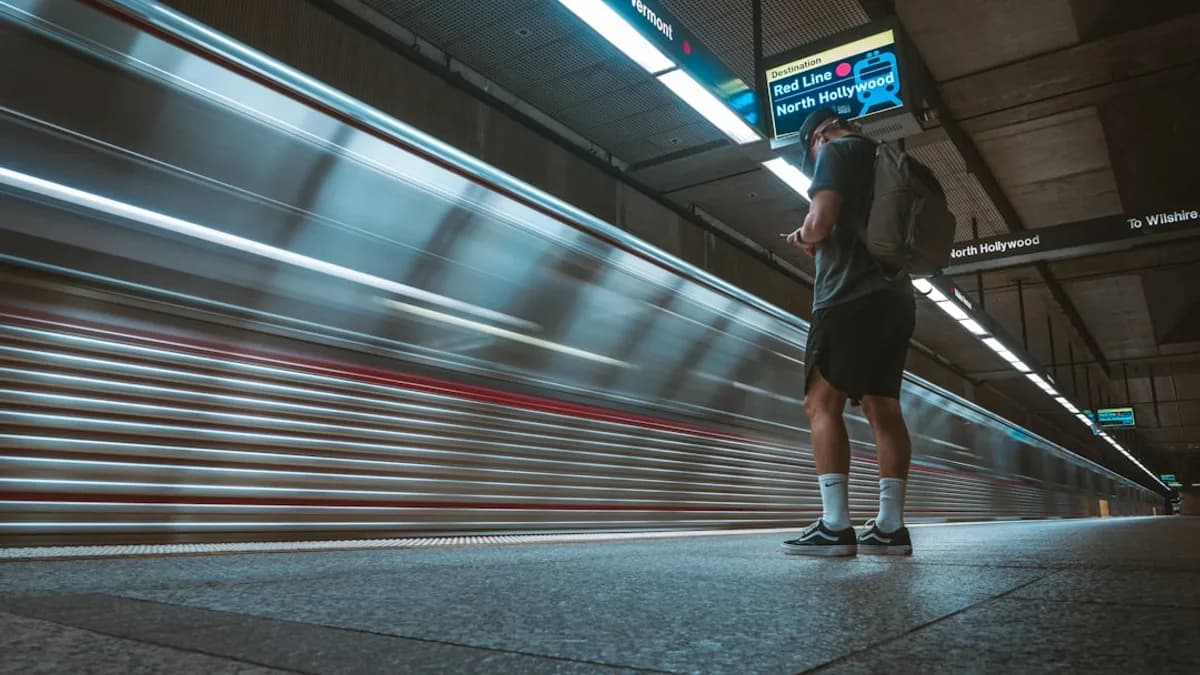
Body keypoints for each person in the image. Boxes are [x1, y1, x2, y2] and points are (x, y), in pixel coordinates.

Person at [779, 108, 916, 556]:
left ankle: (835, 525)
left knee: (820, 402)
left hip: (847, 296)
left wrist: (803, 236)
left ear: (818, 137)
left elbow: (819, 223)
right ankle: (890, 527)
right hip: (896, 298)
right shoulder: (881, 157)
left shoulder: (836, 152)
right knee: (884, 408)